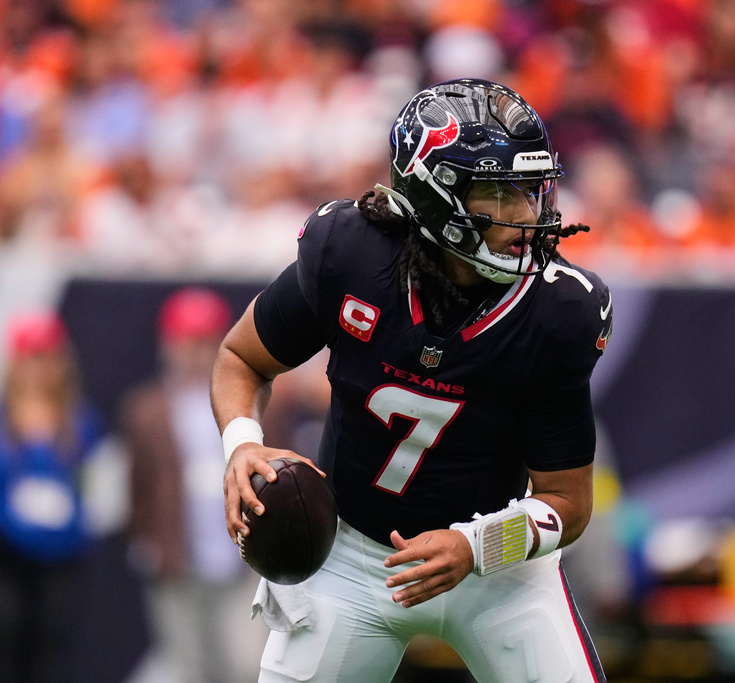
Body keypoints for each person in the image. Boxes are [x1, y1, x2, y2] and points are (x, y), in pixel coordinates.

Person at [211, 78, 612, 682]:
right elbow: (241, 359)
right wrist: (241, 443)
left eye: (530, 193)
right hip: (348, 553)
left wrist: (476, 547)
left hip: (495, 570)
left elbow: (569, 504)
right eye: (499, 196)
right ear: (435, 199)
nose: (526, 216)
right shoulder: (350, 255)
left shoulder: (556, 312)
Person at [120, 287, 266, 683]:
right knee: (186, 667)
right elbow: (139, 486)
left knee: (244, 662)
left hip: (240, 558)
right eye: (186, 341)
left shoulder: (250, 402)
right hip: (178, 559)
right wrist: (146, 540)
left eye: (204, 341)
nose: (195, 352)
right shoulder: (146, 409)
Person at [0, 311, 105, 683]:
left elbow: (98, 493)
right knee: (4, 648)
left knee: (53, 654)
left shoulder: (81, 421)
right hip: (2, 556)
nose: (37, 368)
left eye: (45, 357)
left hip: (60, 559)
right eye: (29, 358)